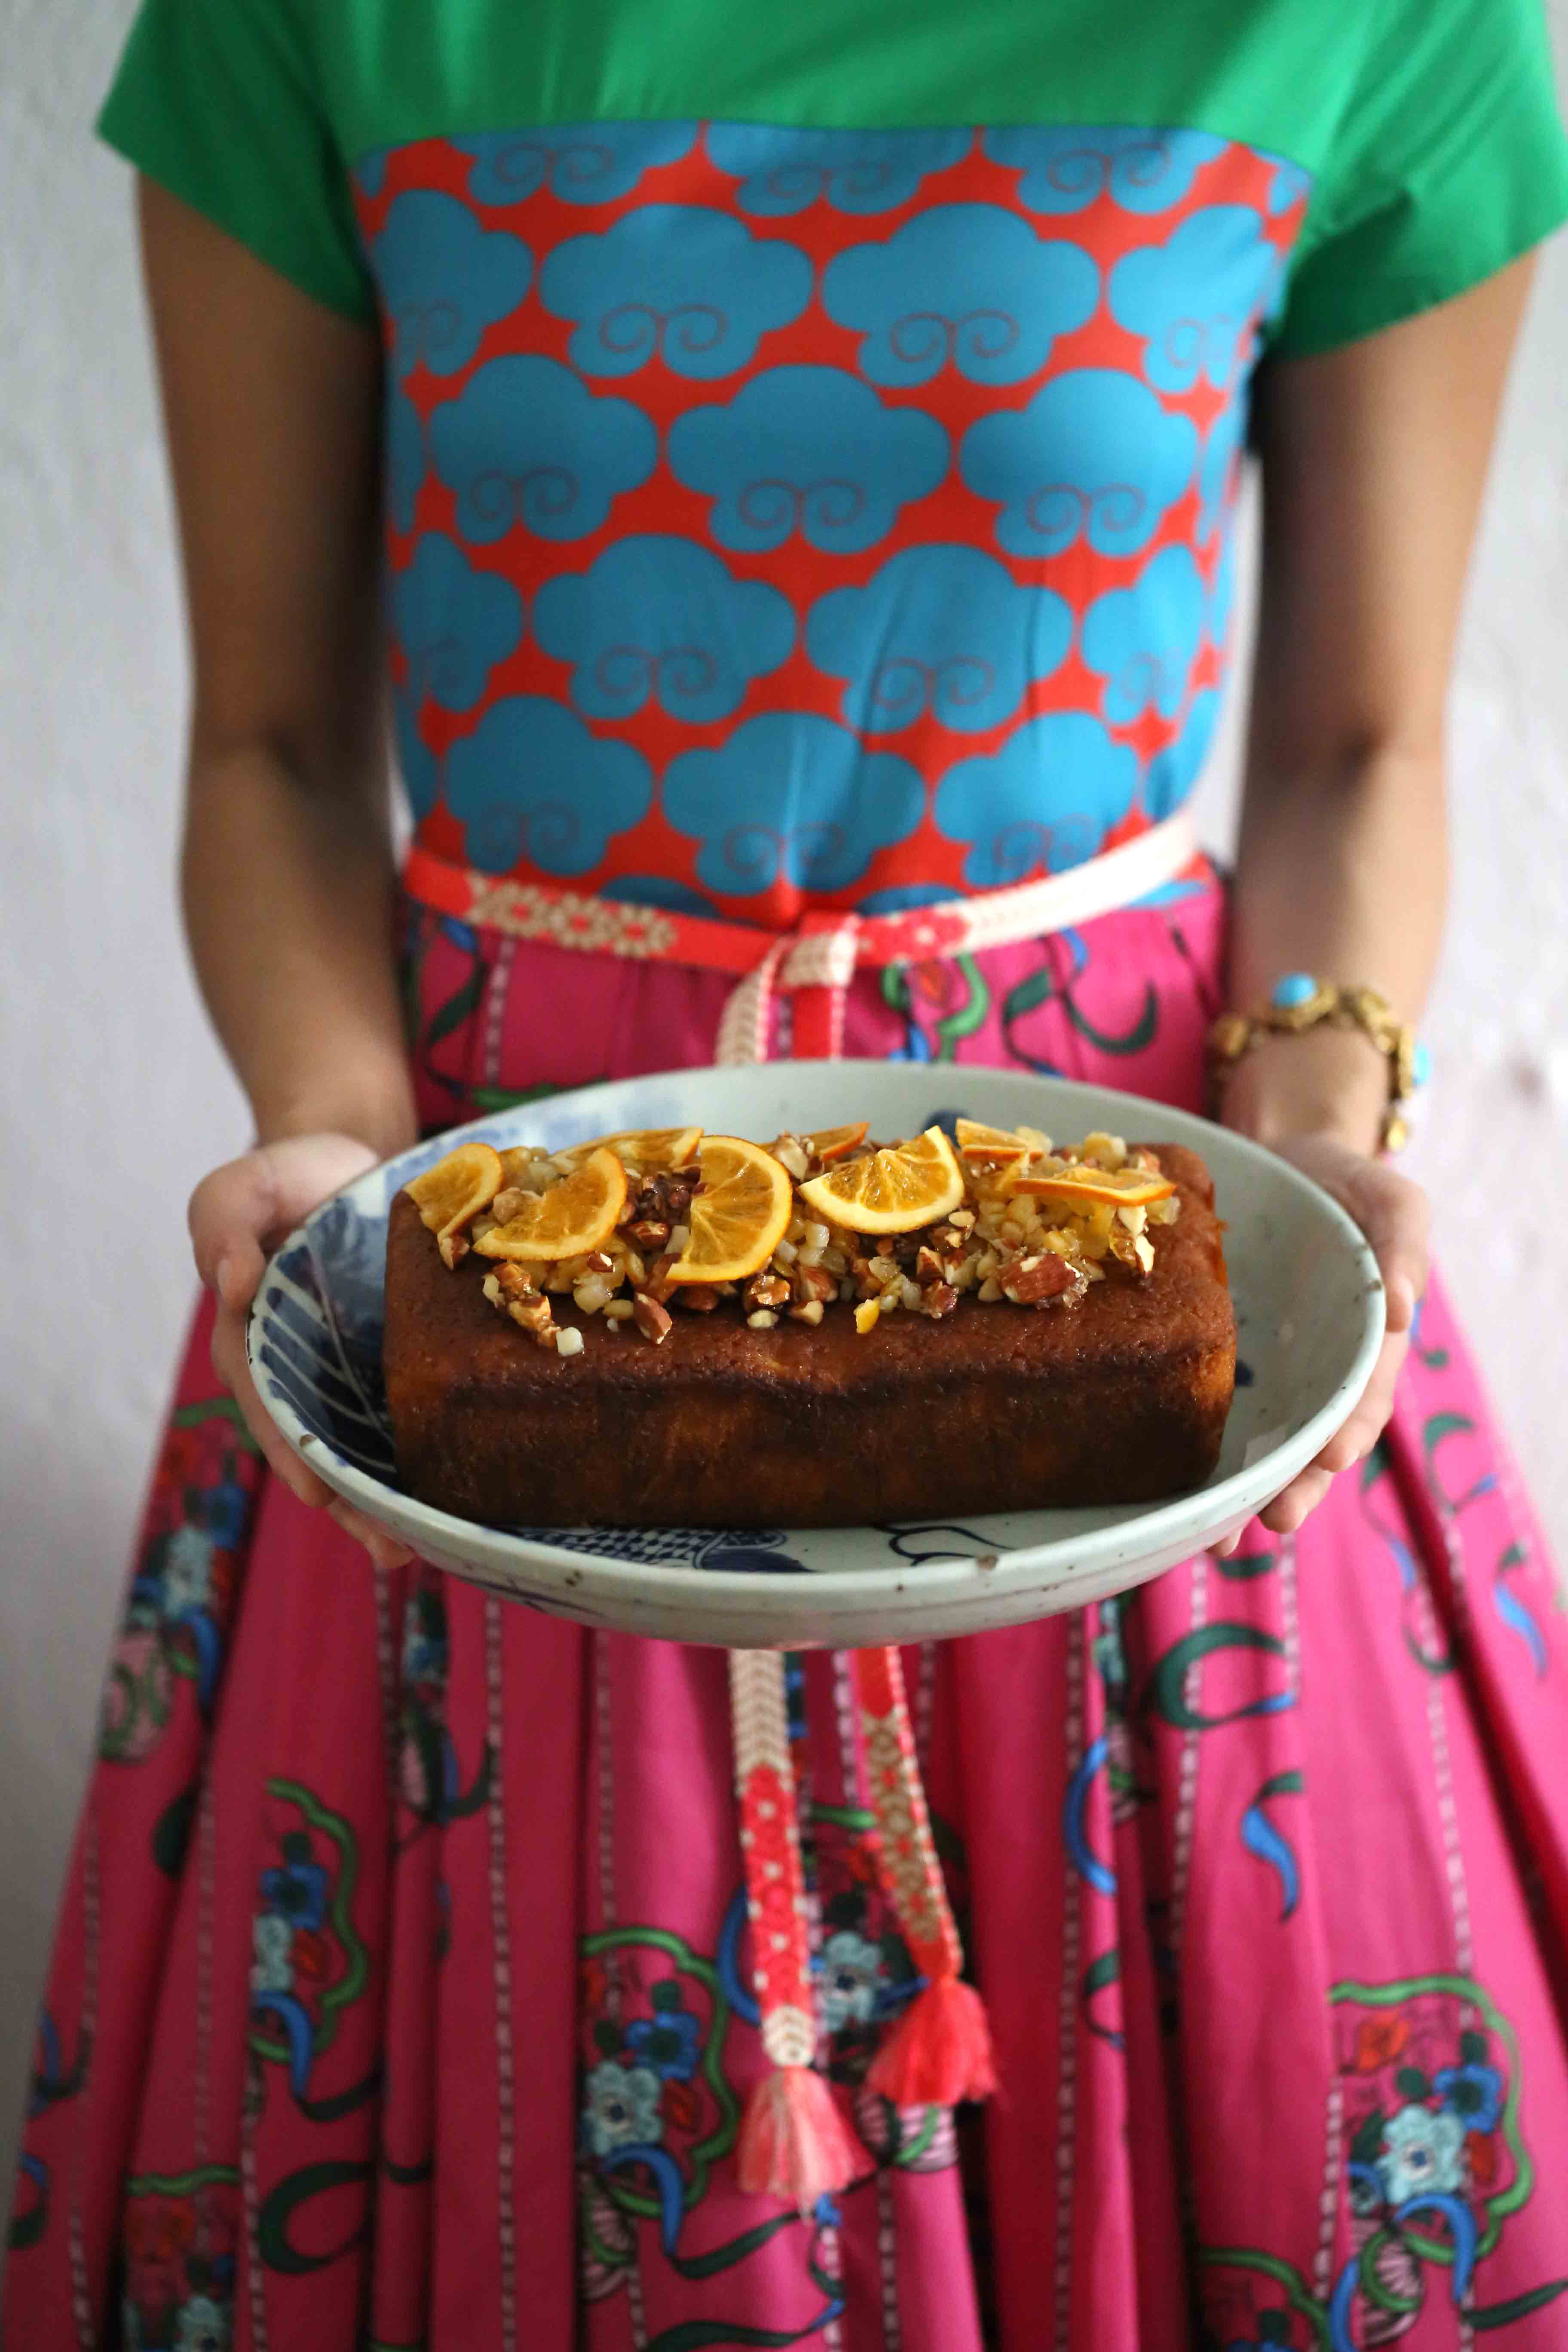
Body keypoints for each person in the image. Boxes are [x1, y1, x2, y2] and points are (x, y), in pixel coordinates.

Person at [9, 0, 1568, 2343]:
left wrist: (1321, 1134)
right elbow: (273, 748)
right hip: (510, 1255)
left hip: (1126, 1238)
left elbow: (1361, 743)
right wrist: (332, 1144)